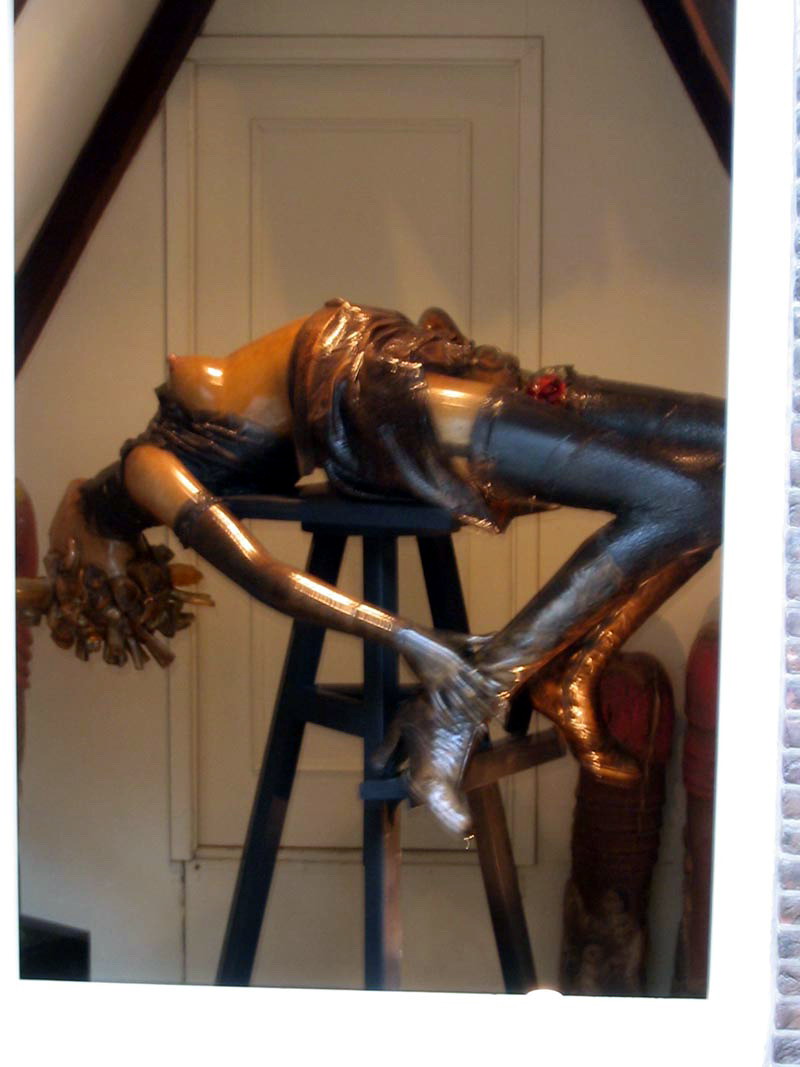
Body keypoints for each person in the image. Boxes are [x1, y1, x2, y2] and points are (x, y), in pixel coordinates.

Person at [40, 297, 724, 834]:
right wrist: (410, 638)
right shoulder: (148, 469)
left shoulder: (148, 456)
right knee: (689, 499)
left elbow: (258, 571)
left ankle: (570, 670)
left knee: (737, 452)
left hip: (409, 363)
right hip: (376, 400)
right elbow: (265, 576)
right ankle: (471, 697)